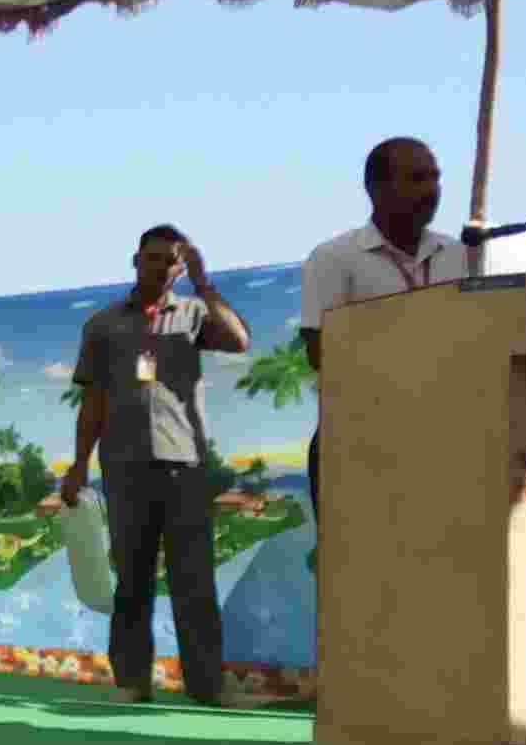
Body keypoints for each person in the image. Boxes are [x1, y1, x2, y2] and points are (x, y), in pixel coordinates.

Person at [47, 226, 250, 705]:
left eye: (171, 260)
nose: (161, 267)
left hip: (185, 464)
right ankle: (132, 681)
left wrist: (204, 281)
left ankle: (207, 685)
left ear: (180, 268)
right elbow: (93, 400)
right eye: (153, 258)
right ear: (135, 260)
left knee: (193, 579)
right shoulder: (102, 324)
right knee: (132, 580)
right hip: (124, 466)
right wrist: (79, 463)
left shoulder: (195, 314)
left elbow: (238, 340)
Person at [298, 136, 465, 515]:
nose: (432, 190)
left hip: (439, 443)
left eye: (435, 178)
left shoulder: (457, 255)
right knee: (355, 552)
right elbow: (321, 352)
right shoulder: (335, 258)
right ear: (375, 188)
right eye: (417, 178)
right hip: (357, 442)